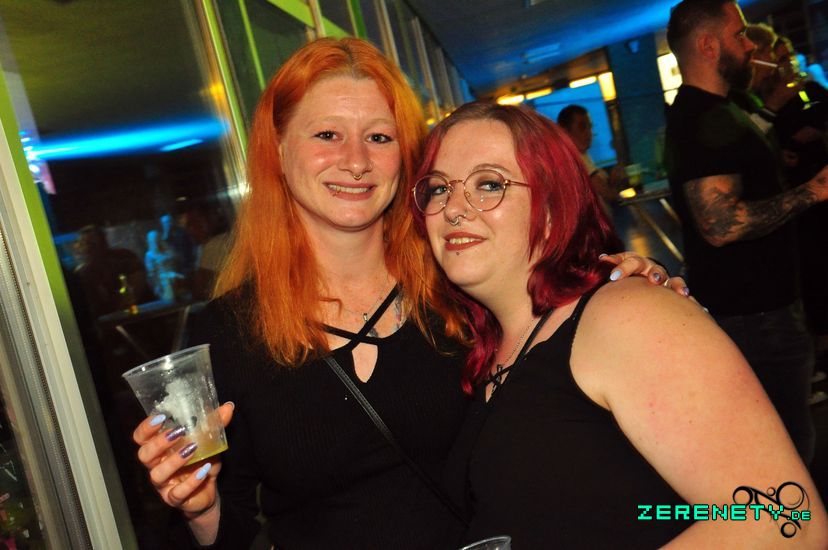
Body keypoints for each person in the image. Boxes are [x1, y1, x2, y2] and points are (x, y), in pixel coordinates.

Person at [131, 38, 684, 549]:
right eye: (327, 135)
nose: (356, 161)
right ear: (278, 149)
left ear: (406, 154)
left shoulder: (460, 284)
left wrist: (628, 283)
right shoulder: (231, 330)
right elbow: (231, 529)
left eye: (379, 137)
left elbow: (565, 330)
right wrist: (200, 507)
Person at [413, 100, 828, 548]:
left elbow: (783, 517)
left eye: (489, 184)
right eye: (438, 188)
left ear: (553, 206)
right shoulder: (485, 348)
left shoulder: (625, 315)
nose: (453, 208)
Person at [663, 0, 828, 463]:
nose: (751, 44)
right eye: (739, 35)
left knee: (787, 441)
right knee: (783, 449)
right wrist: (812, 191)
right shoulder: (699, 117)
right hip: (755, 318)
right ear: (708, 45)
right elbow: (719, 225)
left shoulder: (725, 108)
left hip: (766, 311)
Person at [557, 104, 627, 213]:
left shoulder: (581, 154)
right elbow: (608, 194)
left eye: (590, 127)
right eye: (582, 128)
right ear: (565, 132)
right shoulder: (574, 157)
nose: (589, 133)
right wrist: (616, 184)